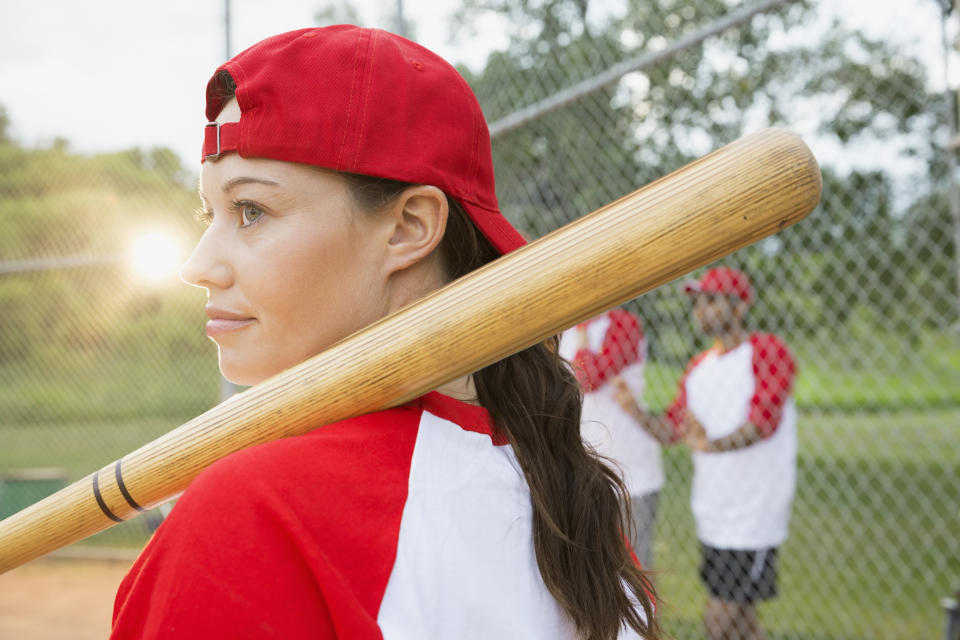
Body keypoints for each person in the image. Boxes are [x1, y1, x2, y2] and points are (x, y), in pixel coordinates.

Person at [110, 25, 659, 640]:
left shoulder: (255, 510)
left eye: (251, 211)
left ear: (408, 228)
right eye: (211, 215)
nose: (197, 266)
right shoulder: (573, 502)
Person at [614, 266, 796, 640]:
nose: (701, 310)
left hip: (753, 513)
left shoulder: (766, 351)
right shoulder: (699, 368)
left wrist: (712, 445)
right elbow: (672, 429)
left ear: (740, 307)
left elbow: (762, 422)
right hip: (714, 511)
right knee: (743, 624)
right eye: (698, 303)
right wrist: (633, 409)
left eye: (712, 301)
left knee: (719, 621)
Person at [558, 308, 664, 570]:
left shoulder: (623, 323)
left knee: (635, 566)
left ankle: (647, 613)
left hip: (630, 470)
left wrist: (582, 340)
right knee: (590, 566)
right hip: (582, 465)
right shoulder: (561, 326)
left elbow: (588, 377)